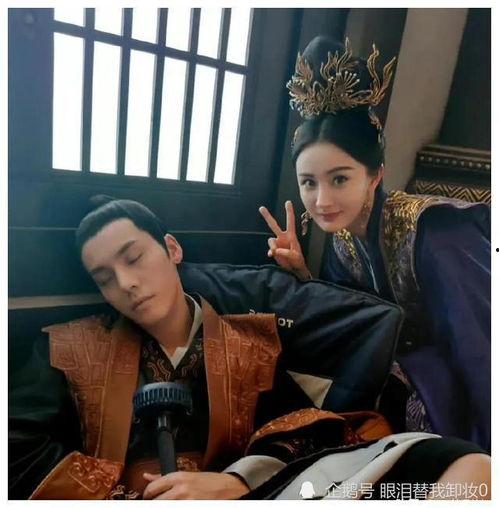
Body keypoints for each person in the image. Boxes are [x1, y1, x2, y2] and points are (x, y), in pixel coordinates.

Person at [9, 197, 490, 500]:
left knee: (464, 466)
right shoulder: (67, 348)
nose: (127, 284)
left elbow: (303, 432)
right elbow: (16, 449)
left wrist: (234, 482)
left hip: (241, 494)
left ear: (172, 250)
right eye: (105, 279)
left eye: (134, 258)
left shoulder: (250, 344)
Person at [259, 36, 491, 452]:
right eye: (309, 183)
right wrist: (302, 274)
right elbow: (352, 321)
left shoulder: (435, 231)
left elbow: (482, 350)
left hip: (455, 388)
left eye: (340, 179)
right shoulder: (345, 239)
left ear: (375, 175)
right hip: (402, 378)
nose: (322, 201)